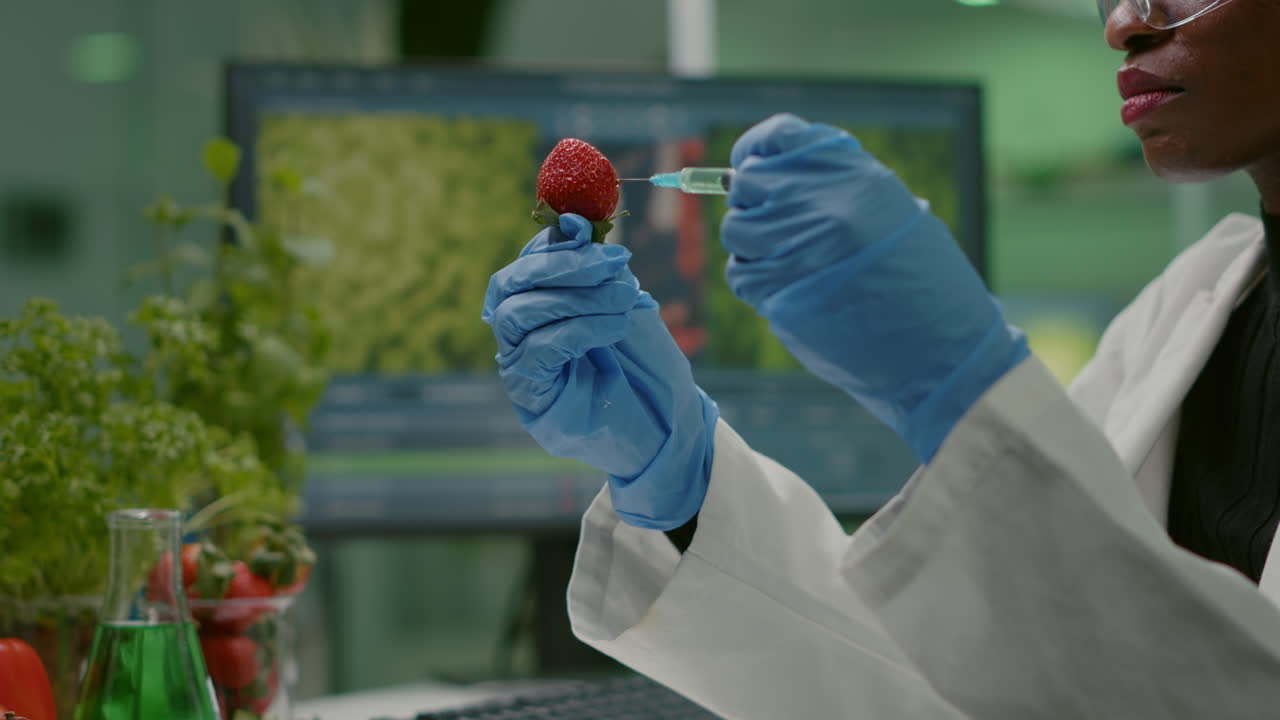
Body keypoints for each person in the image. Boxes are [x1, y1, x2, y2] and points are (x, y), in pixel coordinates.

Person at [481, 0, 1280, 716]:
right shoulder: (1192, 308)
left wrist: (967, 400)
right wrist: (678, 484)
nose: (1122, 22)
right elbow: (971, 687)